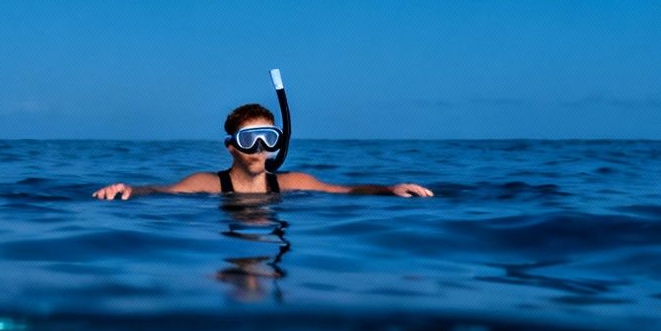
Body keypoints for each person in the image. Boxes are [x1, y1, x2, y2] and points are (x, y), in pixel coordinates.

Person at [91, 104, 433, 200]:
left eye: (268, 138)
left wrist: (389, 189)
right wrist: (130, 190)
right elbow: (162, 191)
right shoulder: (209, 184)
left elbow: (346, 191)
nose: (259, 149)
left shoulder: (293, 181)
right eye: (248, 140)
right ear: (231, 147)